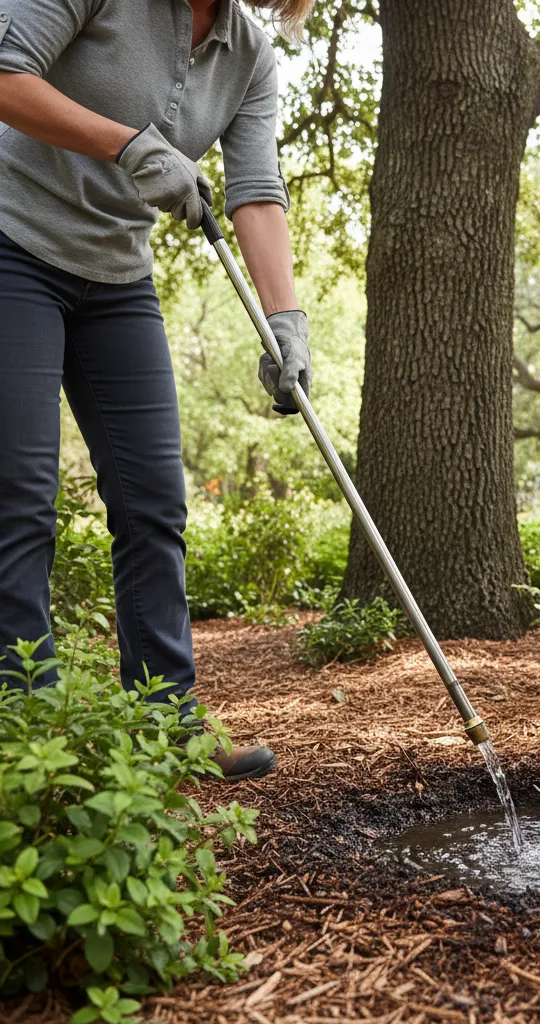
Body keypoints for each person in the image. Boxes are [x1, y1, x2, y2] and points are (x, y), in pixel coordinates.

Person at [0, 0, 315, 781]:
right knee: (20, 494)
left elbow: (256, 187)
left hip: (117, 275)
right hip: (13, 244)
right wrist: (127, 143)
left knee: (153, 504)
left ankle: (165, 726)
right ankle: (24, 733)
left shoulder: (249, 53)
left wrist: (285, 321)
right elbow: (6, 78)